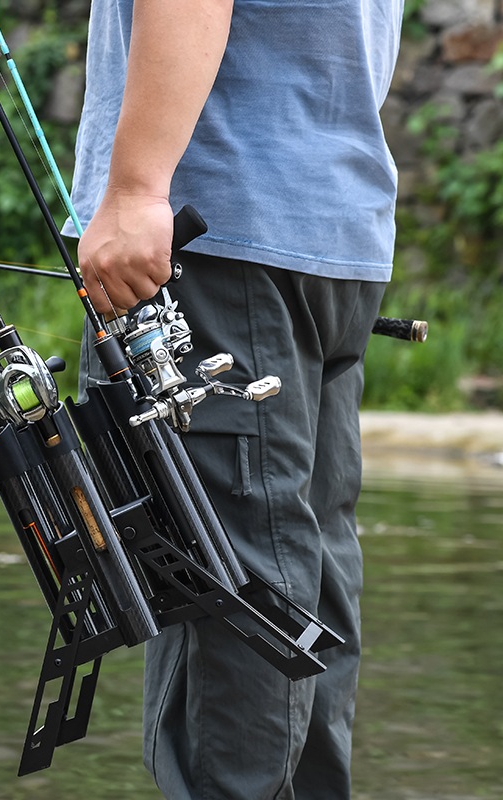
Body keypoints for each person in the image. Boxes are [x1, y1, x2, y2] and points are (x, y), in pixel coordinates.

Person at [63, 1, 404, 798]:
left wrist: (137, 187)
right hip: (335, 235)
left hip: (213, 236)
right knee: (302, 580)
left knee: (227, 591)